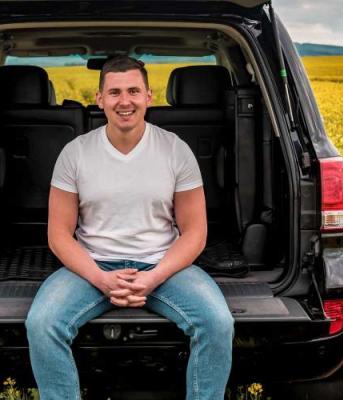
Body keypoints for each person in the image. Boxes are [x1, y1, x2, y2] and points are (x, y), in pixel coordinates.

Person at [25, 55, 235, 400]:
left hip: (162, 265)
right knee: (42, 324)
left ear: (149, 96)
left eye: (134, 91)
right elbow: (59, 235)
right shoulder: (75, 153)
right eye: (115, 92)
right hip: (91, 266)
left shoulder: (175, 150)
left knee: (217, 323)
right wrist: (100, 278)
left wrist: (153, 277)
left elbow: (195, 232)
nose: (125, 101)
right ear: (100, 99)